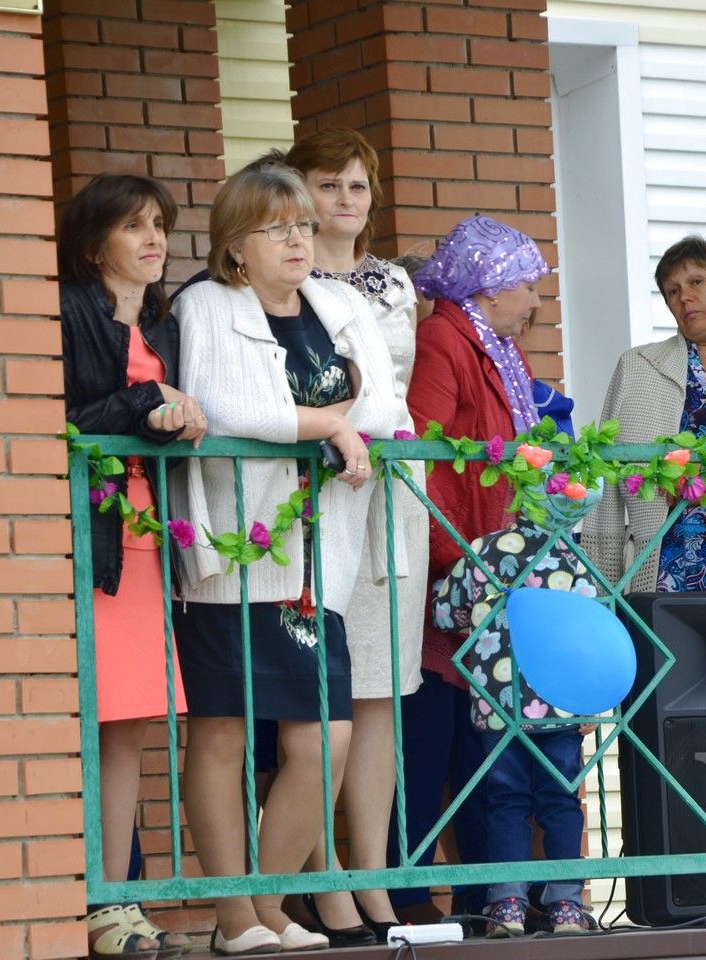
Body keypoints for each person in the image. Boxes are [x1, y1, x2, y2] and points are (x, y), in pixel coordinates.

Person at [168, 162, 410, 954]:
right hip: (237, 554)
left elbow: (383, 403)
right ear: (237, 244)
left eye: (304, 224)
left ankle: (266, 903)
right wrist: (328, 426)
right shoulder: (204, 304)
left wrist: (338, 421)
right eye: (279, 227)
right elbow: (223, 405)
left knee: (324, 738)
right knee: (223, 734)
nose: (299, 238)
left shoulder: (337, 302)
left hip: (319, 559)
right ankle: (236, 919)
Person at [282, 127, 425, 944]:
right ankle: (318, 878)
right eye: (327, 184)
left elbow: (397, 390)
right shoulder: (277, 279)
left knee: (380, 691)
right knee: (316, 693)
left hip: (392, 491)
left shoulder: (393, 283)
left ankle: (372, 880)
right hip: (315, 492)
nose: (342, 200)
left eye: (356, 187)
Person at [59, 173, 204, 960]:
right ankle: (91, 900)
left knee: (131, 730)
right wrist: (148, 411)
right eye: (134, 227)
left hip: (148, 544)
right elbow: (66, 418)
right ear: (93, 245)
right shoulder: (69, 313)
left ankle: (115, 903)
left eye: (160, 225)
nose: (154, 239)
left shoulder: (163, 327)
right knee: (97, 725)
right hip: (95, 545)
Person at [396, 214, 551, 923]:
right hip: (453, 572)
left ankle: (483, 898)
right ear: (489, 286)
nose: (535, 300)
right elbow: (420, 454)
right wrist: (448, 556)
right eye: (526, 284)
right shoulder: (445, 339)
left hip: (491, 568)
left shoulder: (497, 347)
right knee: (432, 740)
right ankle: (409, 898)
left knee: (479, 741)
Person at [430, 482, 603, 937]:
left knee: (505, 801)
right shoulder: (575, 560)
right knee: (561, 802)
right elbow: (595, 636)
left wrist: (483, 619)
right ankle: (566, 904)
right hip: (560, 704)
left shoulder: (485, 549)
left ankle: (506, 904)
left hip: (499, 704)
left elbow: (446, 613)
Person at [589, 236, 706, 593]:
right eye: (672, 291)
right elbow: (609, 474)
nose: (684, 296)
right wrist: (603, 581)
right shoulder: (640, 367)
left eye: (696, 282)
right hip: (671, 571)